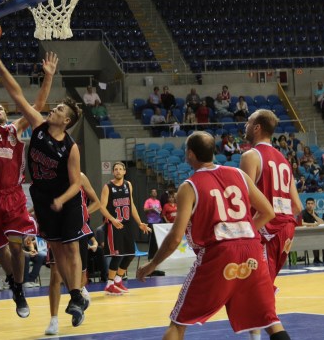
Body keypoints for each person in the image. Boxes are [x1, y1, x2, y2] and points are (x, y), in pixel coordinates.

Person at [136, 132, 291, 340]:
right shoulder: (239, 174)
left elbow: (175, 238)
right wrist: (240, 233)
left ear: (190, 154)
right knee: (271, 321)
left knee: (179, 323)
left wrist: (153, 264)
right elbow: (268, 212)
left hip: (219, 253)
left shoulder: (189, 186)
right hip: (252, 250)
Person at [0, 41, 91, 327]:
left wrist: (62, 200)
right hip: (42, 198)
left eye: (59, 109)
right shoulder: (39, 128)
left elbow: (76, 183)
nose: (53, 109)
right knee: (55, 250)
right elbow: (17, 94)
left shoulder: (71, 147)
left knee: (71, 247)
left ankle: (77, 295)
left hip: (66, 198)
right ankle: (75, 295)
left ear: (66, 121)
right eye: (55, 107)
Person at [0, 44, 57, 318]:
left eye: (1, 108)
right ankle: (13, 282)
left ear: (6, 114)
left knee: (16, 244)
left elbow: (38, 106)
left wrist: (48, 77)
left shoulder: (15, 129)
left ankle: (19, 289)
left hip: (13, 195)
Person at [240, 109, 302, 340]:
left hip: (265, 228)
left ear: (257, 127)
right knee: (255, 290)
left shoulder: (251, 156)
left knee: (257, 292)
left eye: (248, 122)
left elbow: (245, 201)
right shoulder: (284, 160)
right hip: (286, 229)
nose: (245, 125)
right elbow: (297, 205)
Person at [45, 171, 101, 336]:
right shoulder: (48, 176)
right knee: (55, 276)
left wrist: (81, 215)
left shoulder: (80, 177)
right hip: (56, 229)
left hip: (77, 229)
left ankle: (79, 299)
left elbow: (97, 202)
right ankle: (54, 319)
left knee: (80, 277)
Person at [98, 161, 151, 295]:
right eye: (115, 169)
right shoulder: (108, 187)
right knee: (117, 255)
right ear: (113, 172)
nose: (118, 171)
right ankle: (109, 284)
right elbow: (102, 207)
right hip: (113, 225)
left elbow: (131, 205)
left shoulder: (128, 185)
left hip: (127, 224)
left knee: (130, 254)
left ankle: (118, 280)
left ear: (124, 171)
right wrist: (112, 219)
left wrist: (139, 223)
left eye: (120, 169)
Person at [300, 198, 324, 264]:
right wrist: (312, 224)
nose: (310, 205)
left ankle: (318, 259)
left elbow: (322, 223)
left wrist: (314, 215)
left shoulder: (315, 213)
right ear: (306, 205)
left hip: (314, 234)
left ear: (314, 205)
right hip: (304, 235)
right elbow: (301, 223)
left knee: (319, 238)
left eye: (312, 204)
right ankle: (316, 259)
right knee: (315, 238)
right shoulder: (302, 213)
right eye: (308, 204)